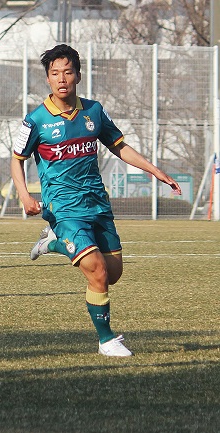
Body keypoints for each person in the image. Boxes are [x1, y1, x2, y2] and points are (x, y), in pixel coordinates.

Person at [10, 44, 182, 357]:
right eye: (55, 73)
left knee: (113, 273)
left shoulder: (93, 111)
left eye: (67, 72)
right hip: (62, 206)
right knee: (97, 270)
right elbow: (16, 159)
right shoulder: (35, 120)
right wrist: (25, 194)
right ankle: (107, 340)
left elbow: (120, 146)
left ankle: (54, 243)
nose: (62, 78)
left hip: (97, 202)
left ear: (77, 75)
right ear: (48, 79)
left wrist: (156, 171)